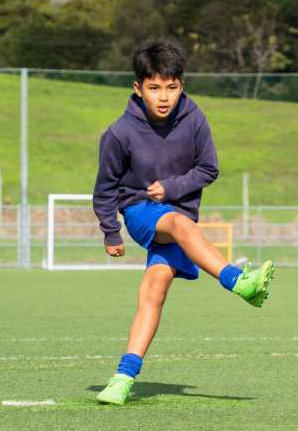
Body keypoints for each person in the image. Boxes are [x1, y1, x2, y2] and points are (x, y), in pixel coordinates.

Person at [92, 38, 274, 405]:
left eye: (171, 87)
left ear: (181, 86)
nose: (164, 96)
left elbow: (209, 169)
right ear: (138, 87)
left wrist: (173, 186)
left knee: (153, 293)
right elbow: (104, 189)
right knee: (179, 225)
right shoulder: (119, 132)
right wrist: (111, 231)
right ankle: (237, 282)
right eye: (155, 88)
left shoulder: (195, 119)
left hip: (178, 215)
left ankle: (122, 379)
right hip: (140, 211)